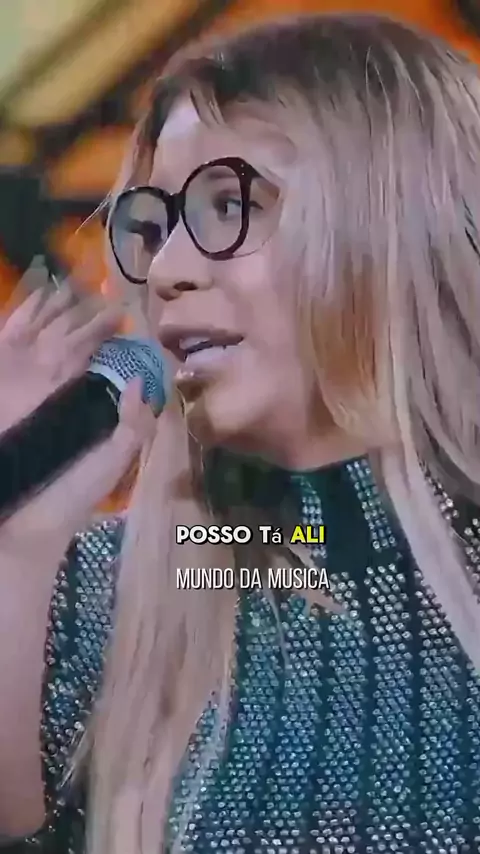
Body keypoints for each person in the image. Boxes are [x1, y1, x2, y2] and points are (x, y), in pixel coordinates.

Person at [1, 11, 480, 854]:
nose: (169, 270)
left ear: (396, 221)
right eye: (155, 228)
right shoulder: (113, 586)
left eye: (230, 206)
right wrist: (18, 557)